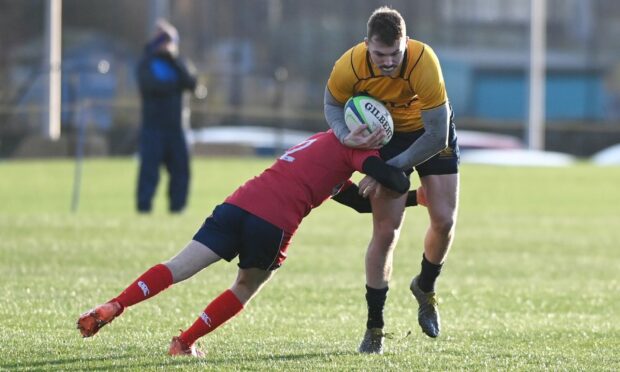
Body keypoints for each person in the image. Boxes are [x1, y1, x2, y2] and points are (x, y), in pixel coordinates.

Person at [77, 128, 426, 357]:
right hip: (273, 221)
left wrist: (415, 200)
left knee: (178, 266)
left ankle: (114, 305)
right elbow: (393, 178)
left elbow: (358, 203)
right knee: (245, 286)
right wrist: (387, 168)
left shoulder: (321, 142)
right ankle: (184, 342)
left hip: (237, 204)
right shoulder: (355, 153)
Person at [324, 6, 460, 354]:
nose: (388, 61)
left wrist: (393, 168)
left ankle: (425, 288)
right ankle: (375, 328)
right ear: (367, 44)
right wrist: (344, 135)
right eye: (380, 54)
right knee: (386, 232)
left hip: (430, 133)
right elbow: (332, 102)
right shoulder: (350, 64)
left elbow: (438, 135)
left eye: (395, 53)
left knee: (444, 220)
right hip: (385, 136)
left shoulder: (422, 61)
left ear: (406, 42)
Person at [136, 20, 197, 213]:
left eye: (170, 39)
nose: (166, 43)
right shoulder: (146, 63)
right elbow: (151, 87)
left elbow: (192, 84)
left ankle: (178, 209)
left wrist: (175, 60)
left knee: (180, 172)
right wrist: (175, 87)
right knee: (149, 172)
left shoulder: (179, 63)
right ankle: (144, 208)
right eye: (163, 38)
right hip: (153, 128)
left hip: (177, 128)